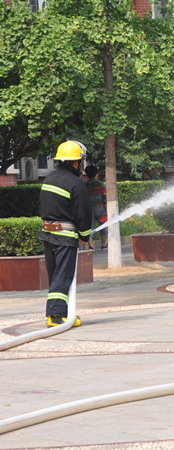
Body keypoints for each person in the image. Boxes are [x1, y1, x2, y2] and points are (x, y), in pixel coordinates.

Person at [39, 140, 92, 327]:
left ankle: (62, 313)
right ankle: (55, 316)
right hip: (65, 237)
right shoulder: (76, 183)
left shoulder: (48, 179)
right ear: (76, 162)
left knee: (56, 276)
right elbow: (83, 214)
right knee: (62, 276)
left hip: (48, 235)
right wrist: (84, 235)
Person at [84, 165, 108, 250]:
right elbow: (104, 198)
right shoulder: (101, 184)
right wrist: (106, 210)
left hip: (89, 209)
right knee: (103, 226)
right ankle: (104, 244)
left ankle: (91, 245)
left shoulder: (84, 185)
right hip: (100, 208)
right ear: (96, 174)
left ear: (87, 175)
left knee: (90, 227)